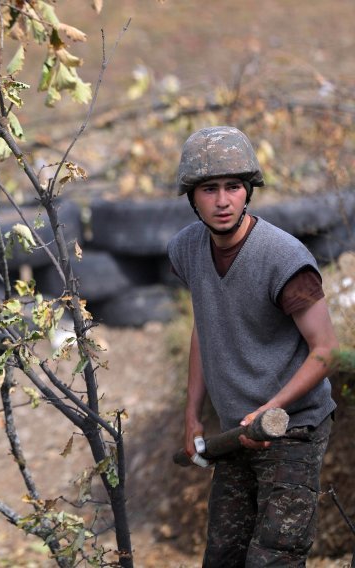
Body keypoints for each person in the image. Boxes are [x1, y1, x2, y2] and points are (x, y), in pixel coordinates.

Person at [167, 126, 338, 567]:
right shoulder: (186, 249)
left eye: (233, 187)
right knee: (223, 557)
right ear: (191, 196)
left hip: (292, 427)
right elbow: (206, 327)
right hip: (236, 434)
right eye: (209, 189)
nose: (222, 200)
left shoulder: (283, 258)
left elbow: (325, 350)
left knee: (273, 559)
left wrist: (272, 409)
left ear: (248, 192)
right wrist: (191, 417)